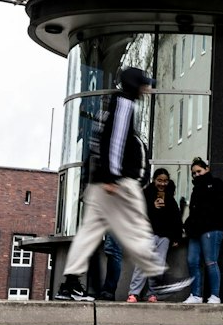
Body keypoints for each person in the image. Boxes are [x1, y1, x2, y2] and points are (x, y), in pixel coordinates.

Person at [53, 67, 189, 302]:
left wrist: (102, 177)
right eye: (144, 84)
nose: (147, 88)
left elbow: (101, 141)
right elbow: (114, 142)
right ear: (135, 85)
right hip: (116, 182)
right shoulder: (124, 103)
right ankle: (157, 280)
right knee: (136, 228)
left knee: (89, 233)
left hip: (101, 182)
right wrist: (112, 178)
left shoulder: (113, 105)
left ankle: (70, 284)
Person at [182, 157, 223, 305]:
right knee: (192, 261)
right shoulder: (195, 190)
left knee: (210, 261)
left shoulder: (216, 184)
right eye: (194, 173)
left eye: (199, 171)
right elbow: (194, 212)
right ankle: (196, 295)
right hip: (197, 230)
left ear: (207, 169)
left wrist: (222, 227)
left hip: (212, 228)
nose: (196, 175)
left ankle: (215, 296)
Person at [127, 168, 183, 302]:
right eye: (159, 180)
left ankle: (152, 294)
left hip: (164, 236)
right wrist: (153, 207)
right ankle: (134, 293)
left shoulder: (170, 197)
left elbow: (176, 219)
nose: (162, 184)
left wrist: (176, 237)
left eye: (165, 181)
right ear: (154, 180)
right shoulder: (146, 194)